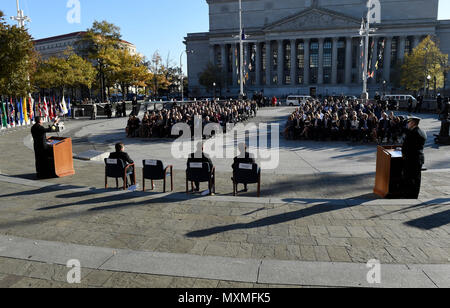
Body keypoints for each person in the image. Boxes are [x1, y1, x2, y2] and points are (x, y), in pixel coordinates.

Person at [401, 116, 427, 199]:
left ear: (412, 123)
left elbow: (406, 146)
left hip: (411, 158)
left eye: (409, 122)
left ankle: (409, 195)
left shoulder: (412, 133)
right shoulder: (422, 131)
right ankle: (414, 195)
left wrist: (403, 154)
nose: (408, 124)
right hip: (419, 158)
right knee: (416, 178)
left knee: (409, 177)